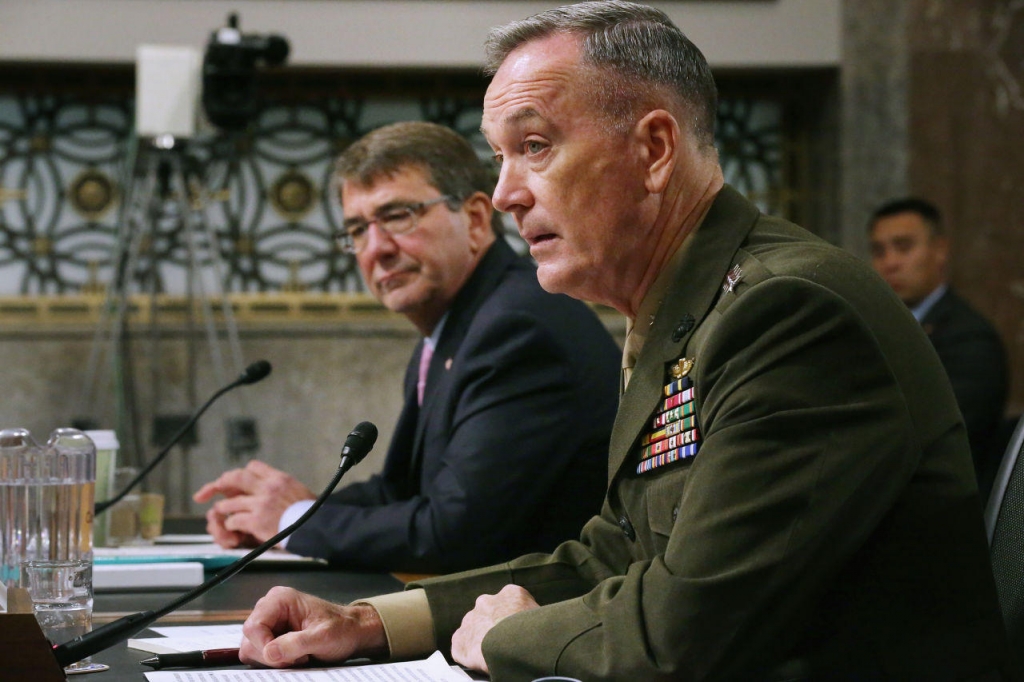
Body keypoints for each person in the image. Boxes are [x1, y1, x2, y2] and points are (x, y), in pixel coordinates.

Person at [234, 3, 1012, 679]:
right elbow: (614, 554)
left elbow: (681, 635)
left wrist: (508, 636)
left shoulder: (787, 313)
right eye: (501, 156)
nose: (504, 193)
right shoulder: (680, 308)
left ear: (654, 150)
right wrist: (371, 623)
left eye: (534, 146)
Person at [192, 121, 621, 574]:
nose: (376, 248)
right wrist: (282, 515)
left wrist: (291, 521)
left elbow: (452, 532)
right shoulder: (460, 326)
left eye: (398, 216)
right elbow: (402, 491)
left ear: (475, 219)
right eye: (357, 229)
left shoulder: (516, 329)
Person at [869, 197, 1009, 493]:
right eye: (879, 251)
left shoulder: (970, 338)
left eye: (904, 247)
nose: (890, 263)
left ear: (940, 250)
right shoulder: (871, 326)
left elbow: (941, 440)